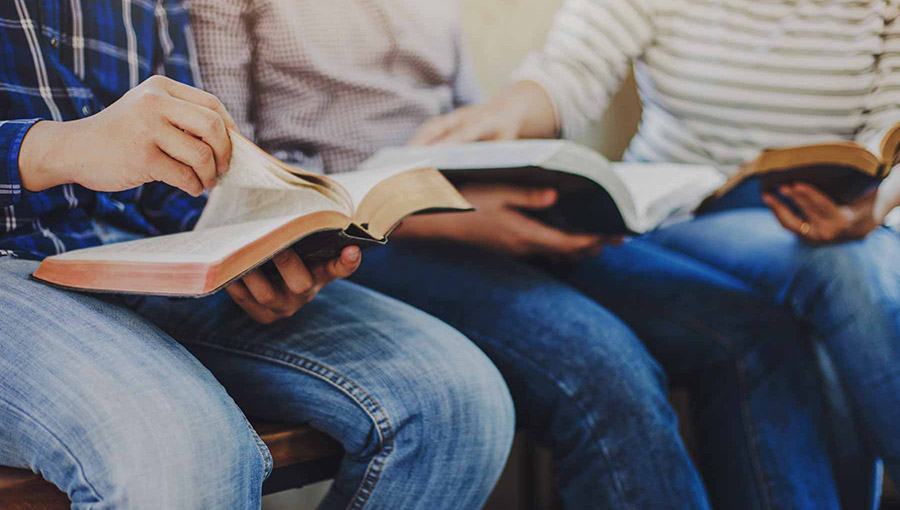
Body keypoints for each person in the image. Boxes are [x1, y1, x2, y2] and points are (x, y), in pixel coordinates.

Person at [190, 0, 850, 507]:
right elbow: (243, 179)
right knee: (603, 367)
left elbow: (466, 112)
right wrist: (442, 217)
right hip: (361, 240)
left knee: (752, 329)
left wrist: (516, 175)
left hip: (471, 208)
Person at [0, 2, 516, 509]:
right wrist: (54, 149)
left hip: (136, 253)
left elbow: (173, 180)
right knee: (185, 455)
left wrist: (252, 249)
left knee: (457, 404)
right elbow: (93, 146)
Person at [417, 0, 900, 507]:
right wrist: (507, 113)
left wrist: (877, 202)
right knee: (844, 270)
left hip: (847, 218)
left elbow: (893, 128)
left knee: (854, 266)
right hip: (682, 214)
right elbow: (569, 70)